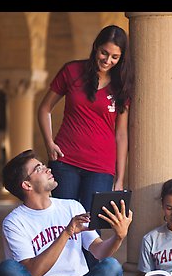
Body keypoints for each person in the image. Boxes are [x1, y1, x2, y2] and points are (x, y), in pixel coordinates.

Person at [0, 149, 132, 276]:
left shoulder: (72, 206)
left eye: (43, 165)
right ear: (26, 184)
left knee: (112, 267)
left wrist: (118, 236)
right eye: (38, 168)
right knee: (7, 270)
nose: (47, 169)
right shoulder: (14, 222)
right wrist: (66, 233)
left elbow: (98, 251)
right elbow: (32, 273)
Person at [37, 24, 133, 214]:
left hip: (101, 167)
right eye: (104, 53)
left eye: (115, 57)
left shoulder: (121, 85)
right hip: (65, 161)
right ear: (96, 46)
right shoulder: (71, 71)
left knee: (91, 229)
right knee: (61, 223)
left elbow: (121, 134)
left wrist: (120, 178)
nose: (107, 60)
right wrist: (49, 143)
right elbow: (44, 108)